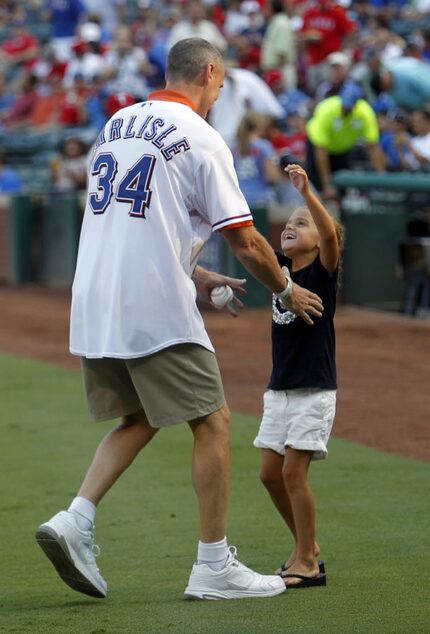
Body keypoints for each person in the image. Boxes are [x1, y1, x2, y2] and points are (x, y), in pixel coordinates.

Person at [35, 37, 323, 601]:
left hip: (95, 299)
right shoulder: (200, 135)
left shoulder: (114, 126)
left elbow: (138, 227)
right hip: (151, 303)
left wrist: (196, 274)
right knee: (212, 421)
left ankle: (77, 519)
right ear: (210, 71)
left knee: (140, 415)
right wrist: (287, 287)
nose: (219, 92)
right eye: (221, 82)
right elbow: (244, 241)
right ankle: (213, 564)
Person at [254, 163, 342, 588]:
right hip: (280, 390)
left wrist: (308, 195)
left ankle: (306, 561)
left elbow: (328, 236)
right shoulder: (281, 276)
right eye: (288, 223)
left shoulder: (322, 274)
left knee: (293, 473)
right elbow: (251, 251)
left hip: (314, 390)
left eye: (300, 223)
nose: (291, 226)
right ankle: (305, 545)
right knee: (270, 475)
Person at [306, 82, 385, 198]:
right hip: (318, 148)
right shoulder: (326, 110)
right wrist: (327, 184)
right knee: (319, 189)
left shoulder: (365, 113)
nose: (346, 108)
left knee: (343, 189)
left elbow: (373, 146)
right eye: (344, 104)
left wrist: (381, 178)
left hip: (343, 149)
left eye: (349, 106)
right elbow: (320, 149)